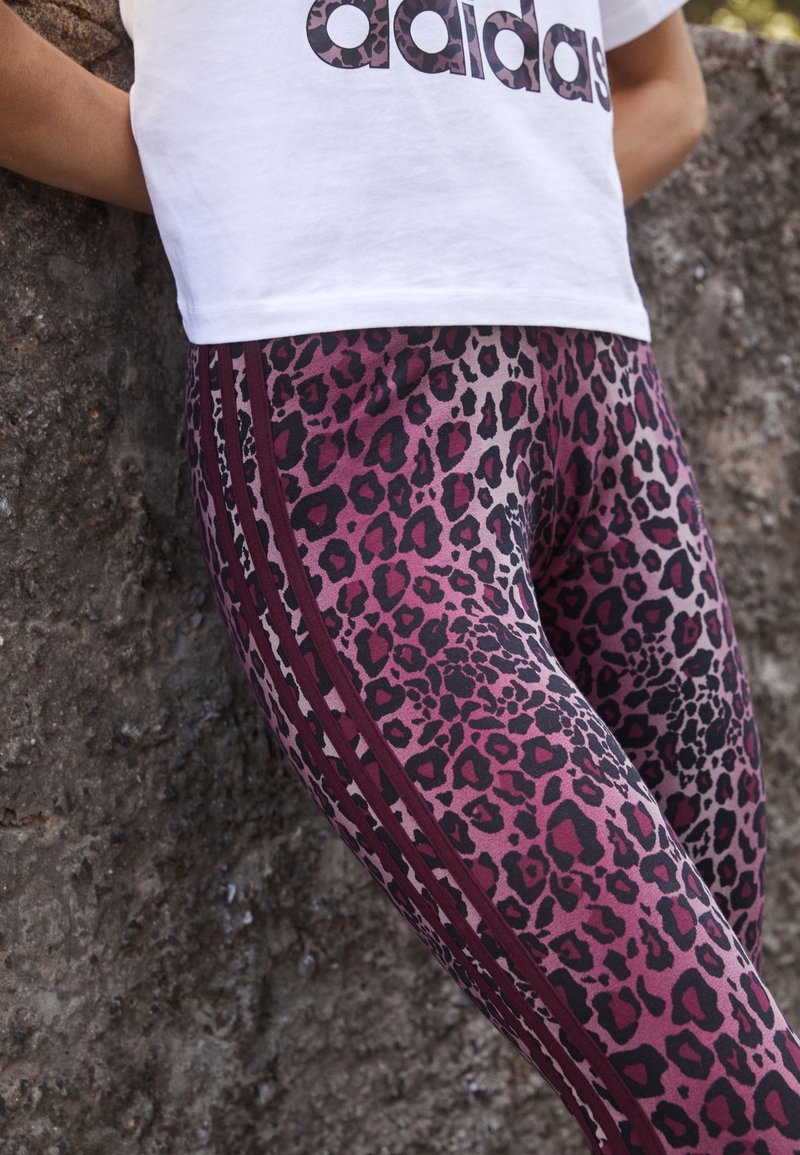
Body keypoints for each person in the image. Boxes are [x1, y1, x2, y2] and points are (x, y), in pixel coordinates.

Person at [2, 1, 800, 1150]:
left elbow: (667, 92)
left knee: (721, 1002)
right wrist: (218, 180)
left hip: (617, 416)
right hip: (349, 427)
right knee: (723, 1099)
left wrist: (491, 218)